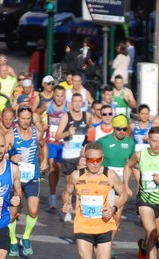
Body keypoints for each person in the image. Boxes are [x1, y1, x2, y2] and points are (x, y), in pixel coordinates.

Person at [62, 142, 127, 259]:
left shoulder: (110, 175)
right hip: (83, 226)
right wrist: (66, 203)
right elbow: (66, 192)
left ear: (102, 159)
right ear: (85, 159)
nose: (95, 163)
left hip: (104, 225)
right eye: (91, 159)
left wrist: (114, 208)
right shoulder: (77, 176)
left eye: (98, 159)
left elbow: (125, 194)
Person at [124, 127, 159, 259]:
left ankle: (143, 246)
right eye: (154, 141)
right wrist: (126, 185)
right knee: (151, 232)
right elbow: (128, 165)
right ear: (148, 141)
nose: (157, 144)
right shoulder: (140, 154)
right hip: (145, 201)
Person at [7, 106, 48, 256]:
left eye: (28, 119)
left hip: (32, 177)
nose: (25, 121)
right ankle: (12, 241)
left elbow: (43, 145)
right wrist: (10, 158)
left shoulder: (36, 133)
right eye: (22, 118)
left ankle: (25, 237)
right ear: (17, 118)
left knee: (33, 210)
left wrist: (44, 160)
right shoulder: (11, 135)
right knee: (12, 213)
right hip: (15, 179)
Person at [97, 114, 135, 250]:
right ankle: (98, 239)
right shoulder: (103, 142)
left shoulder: (130, 143)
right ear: (113, 128)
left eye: (124, 129)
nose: (121, 132)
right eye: (119, 128)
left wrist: (136, 184)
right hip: (105, 184)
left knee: (117, 216)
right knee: (103, 214)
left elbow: (132, 165)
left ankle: (107, 246)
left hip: (119, 186)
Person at [55, 92, 92, 222]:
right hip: (69, 157)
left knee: (83, 185)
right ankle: (67, 209)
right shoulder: (66, 116)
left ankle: (82, 209)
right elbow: (57, 136)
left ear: (83, 103)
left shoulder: (87, 116)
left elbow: (91, 134)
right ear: (71, 103)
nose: (77, 104)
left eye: (79, 101)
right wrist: (67, 132)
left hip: (82, 157)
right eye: (75, 101)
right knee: (69, 185)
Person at [42, 84, 68, 210]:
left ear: (64, 97)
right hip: (51, 142)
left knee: (59, 168)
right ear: (54, 95)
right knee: (52, 167)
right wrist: (42, 124)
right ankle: (52, 199)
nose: (59, 98)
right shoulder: (48, 106)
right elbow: (36, 113)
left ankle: (65, 197)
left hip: (63, 144)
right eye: (57, 95)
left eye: (61, 96)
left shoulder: (68, 108)